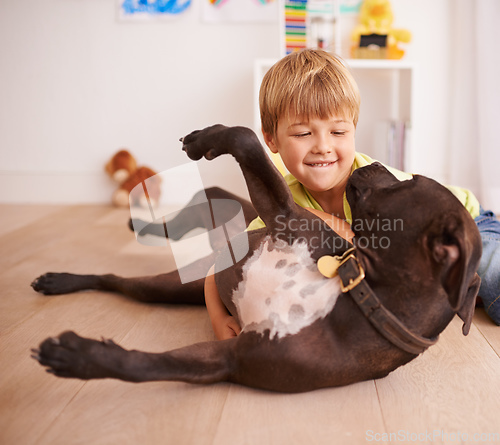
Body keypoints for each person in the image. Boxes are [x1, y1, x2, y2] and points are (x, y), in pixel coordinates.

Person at [205, 49, 500, 339]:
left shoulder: (378, 183)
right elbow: (225, 260)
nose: (322, 146)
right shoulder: (282, 204)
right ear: (271, 139)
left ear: (354, 131)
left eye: (338, 132)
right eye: (303, 134)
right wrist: (219, 319)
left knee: (491, 274)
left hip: (467, 223)